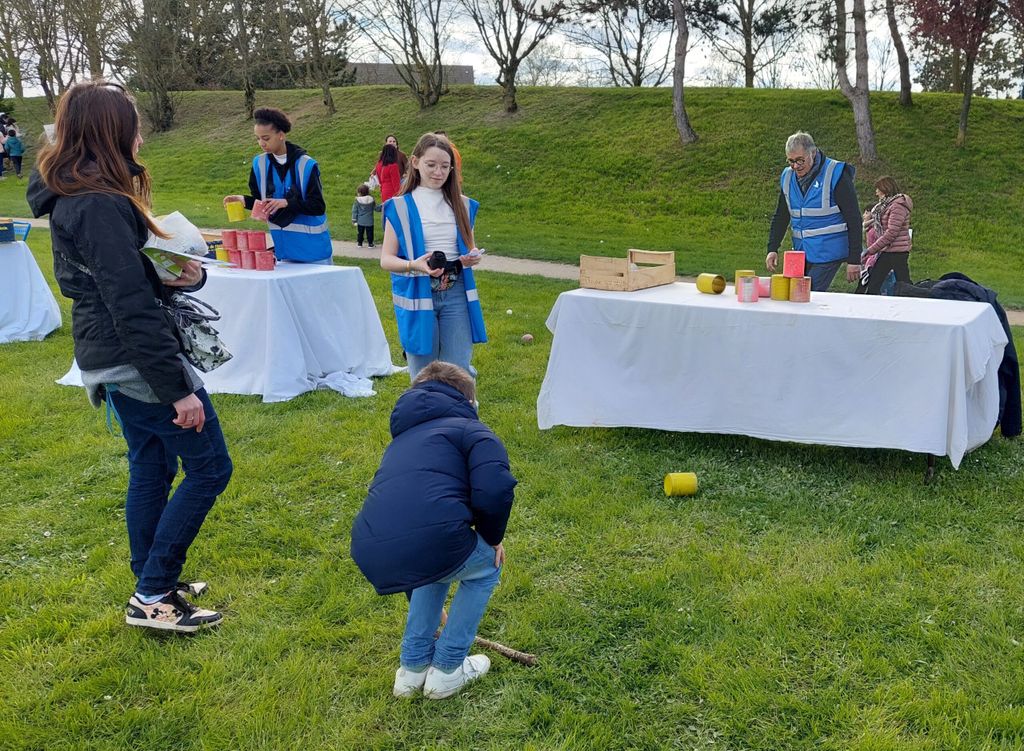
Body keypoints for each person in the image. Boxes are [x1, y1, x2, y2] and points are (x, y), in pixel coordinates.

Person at [26, 80, 232, 633]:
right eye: (133, 128)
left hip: (113, 353)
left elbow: (120, 282)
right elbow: (128, 306)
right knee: (210, 467)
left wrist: (178, 275)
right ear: (110, 133)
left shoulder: (82, 196)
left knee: (153, 464)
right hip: (131, 358)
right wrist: (177, 389)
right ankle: (152, 595)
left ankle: (152, 579)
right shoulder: (96, 204)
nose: (140, 138)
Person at [350, 361, 517, 700]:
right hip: (431, 541)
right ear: (469, 401)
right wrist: (492, 539)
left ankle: (411, 671)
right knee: (486, 566)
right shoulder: (474, 431)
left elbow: (410, 525)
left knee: (436, 562)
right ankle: (447, 669)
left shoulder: (401, 441)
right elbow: (495, 489)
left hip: (371, 547)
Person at [379, 132, 487, 382]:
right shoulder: (399, 206)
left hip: (455, 292)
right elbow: (386, 259)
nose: (438, 172)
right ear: (415, 162)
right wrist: (413, 265)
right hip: (418, 292)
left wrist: (471, 258)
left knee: (458, 370)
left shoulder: (463, 205)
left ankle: (460, 408)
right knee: (423, 373)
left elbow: (470, 248)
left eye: (445, 166)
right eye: (431, 165)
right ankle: (426, 408)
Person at [223, 107, 332, 264]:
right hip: (284, 253)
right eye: (257, 138)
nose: (261, 143)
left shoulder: (306, 165)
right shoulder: (259, 164)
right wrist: (243, 200)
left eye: (266, 138)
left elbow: (318, 206)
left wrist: (286, 203)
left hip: (315, 254)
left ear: (281, 135)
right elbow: (263, 203)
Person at [766, 132, 862, 291]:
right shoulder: (787, 177)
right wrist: (772, 248)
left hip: (829, 252)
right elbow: (781, 216)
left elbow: (854, 219)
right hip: (802, 251)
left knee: (807, 294)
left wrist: (854, 260)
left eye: (800, 160)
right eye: (791, 161)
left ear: (813, 152)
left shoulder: (836, 173)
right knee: (794, 293)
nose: (795, 166)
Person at [856, 176, 913, 295]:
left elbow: (891, 233)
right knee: (875, 281)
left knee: (903, 283)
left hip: (897, 251)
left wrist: (871, 250)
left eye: (878, 189)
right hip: (888, 250)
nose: (876, 192)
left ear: (885, 189)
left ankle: (913, 299)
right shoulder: (887, 206)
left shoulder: (897, 206)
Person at [351, 183, 380, 247]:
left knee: (360, 233)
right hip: (369, 221)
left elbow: (354, 211)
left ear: (360, 193)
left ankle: (359, 243)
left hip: (360, 221)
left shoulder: (357, 201)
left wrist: (354, 220)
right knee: (370, 233)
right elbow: (376, 208)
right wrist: (383, 206)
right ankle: (370, 244)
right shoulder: (371, 200)